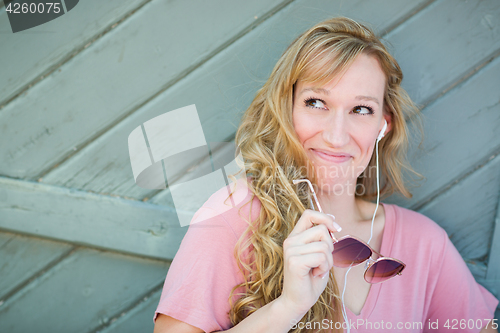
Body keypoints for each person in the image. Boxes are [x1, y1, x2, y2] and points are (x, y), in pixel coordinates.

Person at [153, 17, 499, 333]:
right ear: (286, 109)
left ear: (382, 127)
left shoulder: (424, 245)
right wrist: (287, 308)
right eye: (316, 102)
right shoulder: (234, 215)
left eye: (360, 109)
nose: (336, 134)